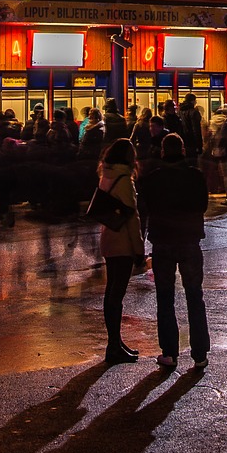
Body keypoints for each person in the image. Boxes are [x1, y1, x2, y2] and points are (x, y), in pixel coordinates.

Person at [138, 133, 210, 371]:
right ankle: (199, 353)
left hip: (163, 241)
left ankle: (169, 351)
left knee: (165, 297)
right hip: (189, 240)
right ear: (182, 150)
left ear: (162, 152)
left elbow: (146, 208)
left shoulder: (153, 179)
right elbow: (202, 205)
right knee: (194, 296)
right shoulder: (195, 176)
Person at [96, 139, 145, 366]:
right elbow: (132, 218)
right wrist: (139, 248)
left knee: (111, 293)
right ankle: (114, 345)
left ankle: (115, 342)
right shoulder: (124, 180)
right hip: (122, 243)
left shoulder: (106, 175)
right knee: (117, 295)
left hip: (108, 238)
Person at [178, 93, 204, 166]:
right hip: (192, 142)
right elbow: (196, 130)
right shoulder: (194, 112)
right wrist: (199, 145)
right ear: (192, 101)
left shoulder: (180, 111)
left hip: (183, 141)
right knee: (193, 164)